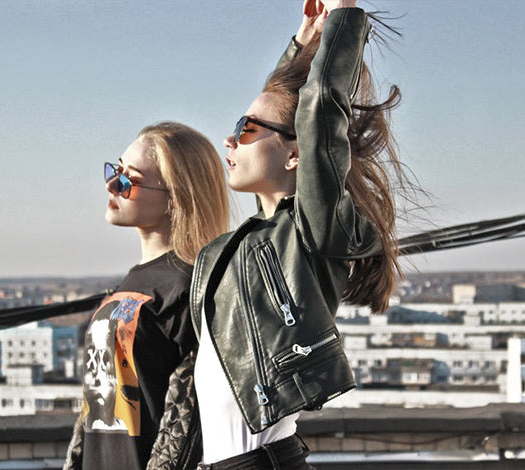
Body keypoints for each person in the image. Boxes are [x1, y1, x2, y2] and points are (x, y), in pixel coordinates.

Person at [187, 1, 406, 468]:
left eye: (246, 130)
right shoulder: (239, 247)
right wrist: (303, 44)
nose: (230, 140)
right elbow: (284, 111)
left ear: (296, 156)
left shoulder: (310, 235)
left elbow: (318, 110)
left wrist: (343, 18)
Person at [63, 122, 229, 470]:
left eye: (129, 180)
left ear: (176, 198)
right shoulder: (135, 280)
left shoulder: (192, 288)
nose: (112, 185)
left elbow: (196, 419)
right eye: (115, 171)